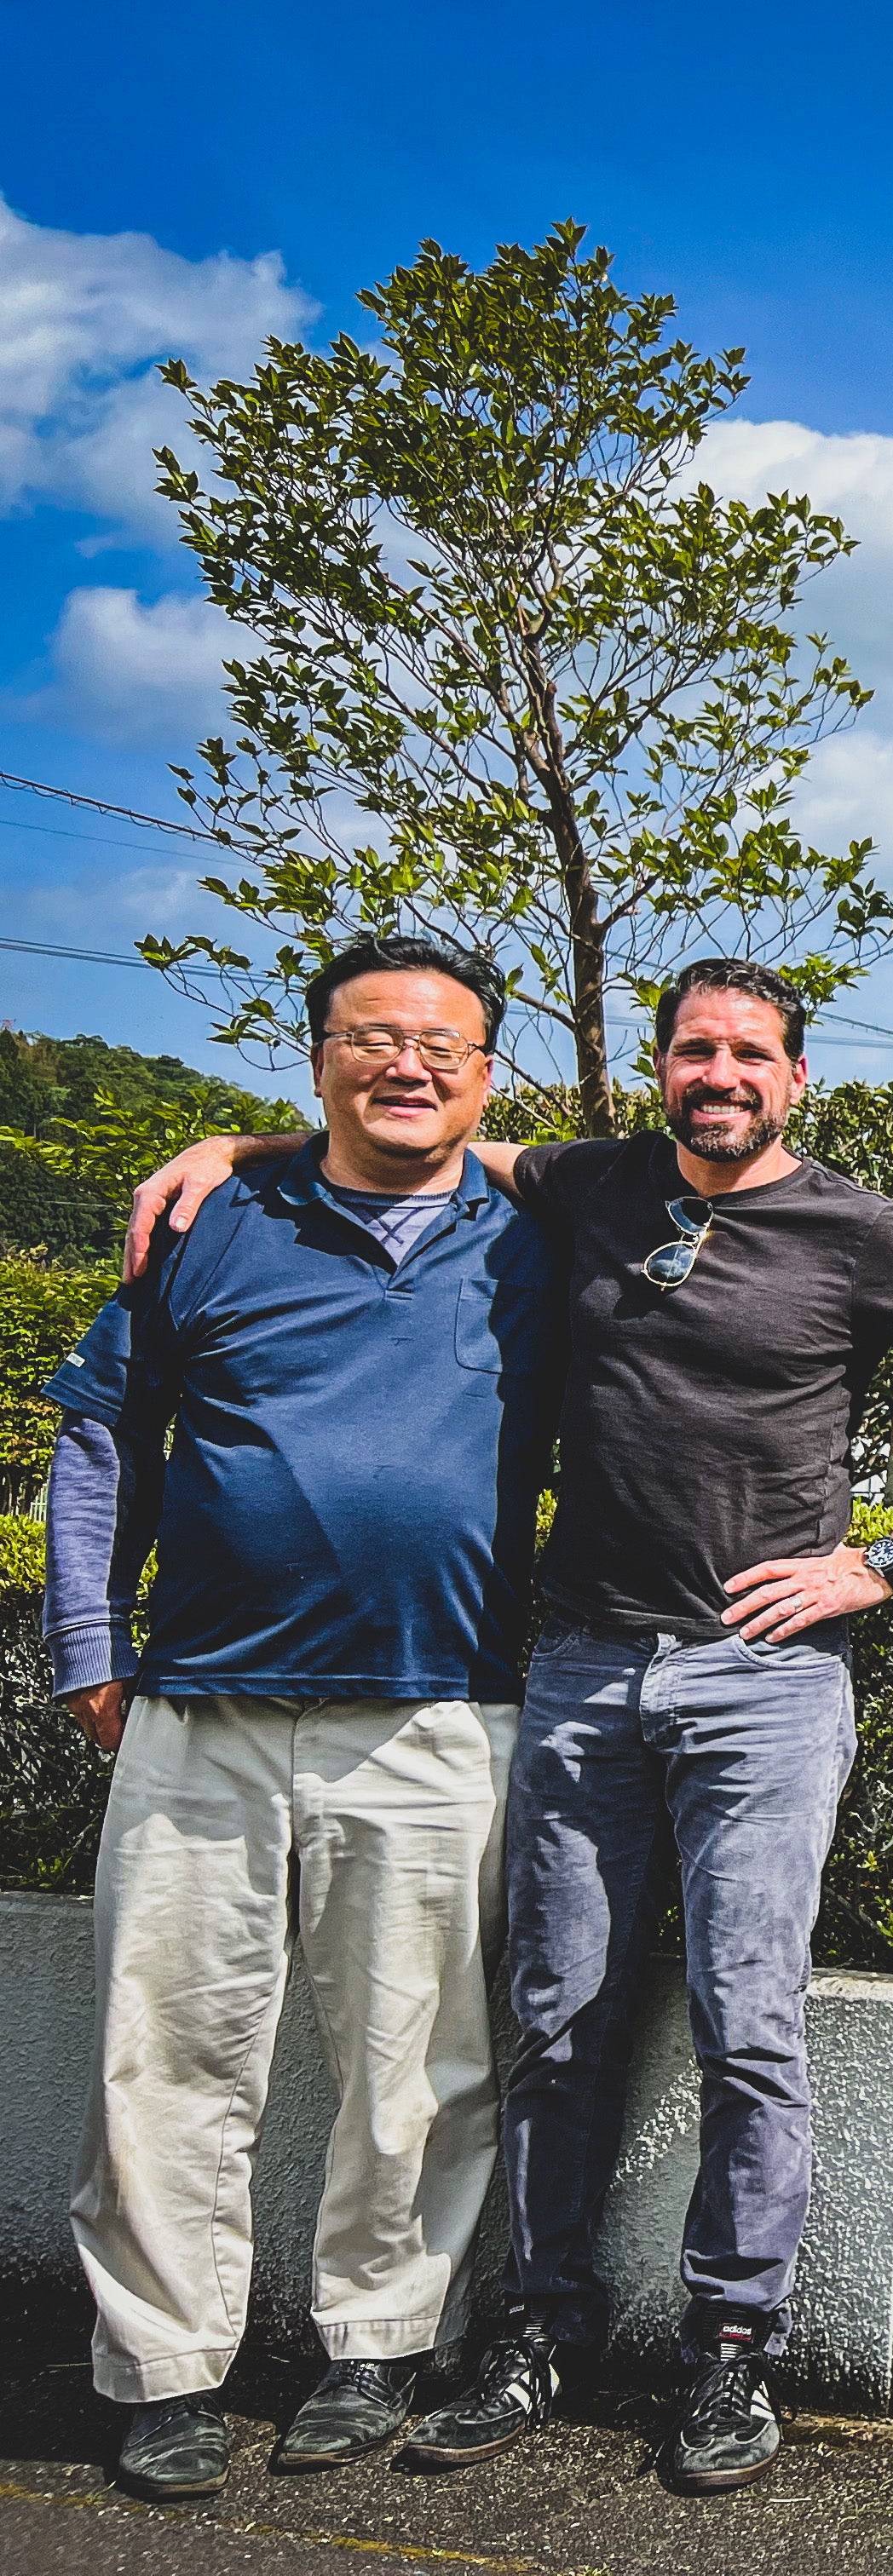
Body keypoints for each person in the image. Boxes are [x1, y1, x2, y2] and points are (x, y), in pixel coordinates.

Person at [132, 955, 893, 2495]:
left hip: (761, 1684)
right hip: (580, 1670)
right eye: (696, 1050)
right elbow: (415, 1135)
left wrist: (884, 1560)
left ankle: (731, 2350)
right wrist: (233, 1151)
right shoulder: (593, 1183)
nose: (721, 1074)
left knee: (745, 2020)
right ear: (660, 1067)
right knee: (556, 2019)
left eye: (750, 1054)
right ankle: (536, 2326)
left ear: (794, 1077)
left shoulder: (856, 1231)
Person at [46, 935, 555, 2498]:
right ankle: (163, 2369)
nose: (407, 1066)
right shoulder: (207, 1218)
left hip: (438, 1715)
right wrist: (84, 1646)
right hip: (202, 1708)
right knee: (168, 2053)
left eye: (442, 1046)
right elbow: (99, 1444)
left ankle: (380, 2347)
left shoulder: (541, 1234)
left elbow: (685, 1172)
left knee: (419, 2064)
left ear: (487, 1072)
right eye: (371, 1039)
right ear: (315, 1053)